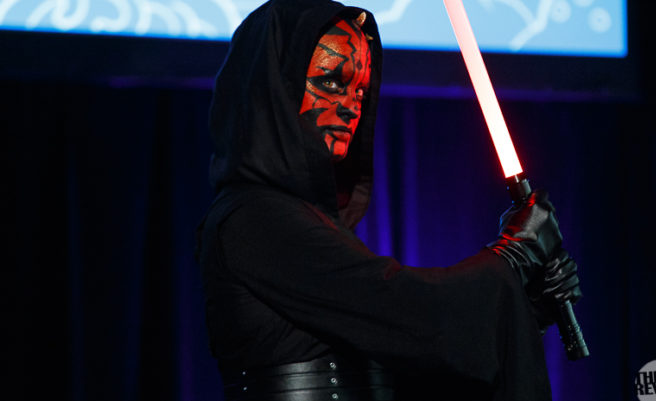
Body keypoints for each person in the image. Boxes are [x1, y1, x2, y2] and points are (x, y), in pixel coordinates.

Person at [196, 1, 582, 400]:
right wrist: (515, 258)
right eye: (331, 81)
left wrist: (522, 309)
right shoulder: (252, 218)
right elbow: (409, 310)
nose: (352, 106)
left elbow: (411, 358)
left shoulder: (312, 224)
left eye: (360, 91)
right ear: (274, 88)